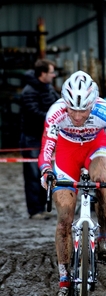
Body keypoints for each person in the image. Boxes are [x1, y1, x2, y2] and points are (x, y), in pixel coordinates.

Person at [38, 71, 106, 296]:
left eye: (83, 110)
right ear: (65, 103)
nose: (78, 116)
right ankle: (64, 278)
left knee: (101, 181)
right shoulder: (56, 112)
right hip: (67, 153)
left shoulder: (105, 111)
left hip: (96, 147)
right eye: (73, 109)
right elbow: (46, 150)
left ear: (93, 103)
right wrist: (46, 170)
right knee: (64, 220)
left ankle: (104, 237)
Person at [20, 58, 60, 219]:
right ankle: (34, 210)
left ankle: (43, 207)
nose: (54, 75)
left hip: (45, 138)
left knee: (46, 173)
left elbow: (58, 103)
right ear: (43, 73)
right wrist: (54, 118)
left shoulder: (48, 88)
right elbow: (34, 114)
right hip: (32, 140)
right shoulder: (29, 91)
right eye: (51, 72)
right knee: (32, 175)